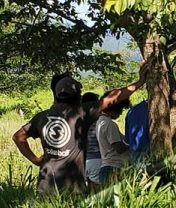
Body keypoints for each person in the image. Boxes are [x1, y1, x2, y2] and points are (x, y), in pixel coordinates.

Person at [13, 71, 142, 194]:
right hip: (73, 188)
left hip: (45, 185)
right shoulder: (82, 114)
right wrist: (140, 82)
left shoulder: (41, 117)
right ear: (78, 97)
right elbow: (112, 98)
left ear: (56, 95)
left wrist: (35, 160)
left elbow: (18, 137)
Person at [88, 97, 132, 186]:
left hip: (108, 167)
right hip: (114, 168)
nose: (120, 113)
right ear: (114, 109)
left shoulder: (100, 121)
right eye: (120, 110)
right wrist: (131, 141)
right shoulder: (109, 124)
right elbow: (118, 148)